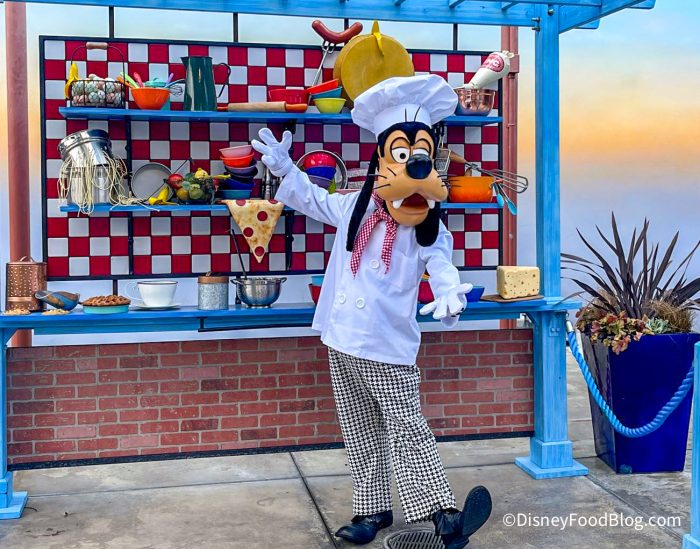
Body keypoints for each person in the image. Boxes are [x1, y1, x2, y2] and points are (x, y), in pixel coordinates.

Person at [252, 74, 492, 549]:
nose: (412, 165)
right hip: (340, 337)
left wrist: (449, 291)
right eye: (400, 154)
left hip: (387, 344)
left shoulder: (428, 227)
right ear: (381, 161)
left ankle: (443, 513)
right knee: (359, 429)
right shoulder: (352, 209)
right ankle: (372, 509)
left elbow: (441, 263)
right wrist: (285, 169)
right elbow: (311, 198)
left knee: (407, 427)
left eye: (420, 155)